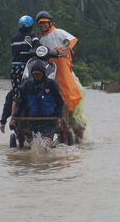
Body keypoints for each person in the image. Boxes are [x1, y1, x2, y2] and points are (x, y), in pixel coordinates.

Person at [35, 11, 87, 141]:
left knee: (70, 97)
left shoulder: (58, 33)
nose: (42, 26)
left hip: (64, 71)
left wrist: (62, 49)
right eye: (40, 24)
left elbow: (71, 41)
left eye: (44, 23)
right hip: (50, 73)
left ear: (49, 22)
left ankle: (75, 133)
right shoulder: (41, 40)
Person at [14, 60, 64, 146]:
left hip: (49, 121)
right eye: (35, 74)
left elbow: (59, 102)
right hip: (32, 121)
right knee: (34, 146)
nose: (37, 76)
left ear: (43, 73)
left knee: (45, 146)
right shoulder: (27, 85)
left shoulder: (52, 84)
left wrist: (58, 116)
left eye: (39, 74)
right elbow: (20, 102)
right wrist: (15, 117)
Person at [9, 15, 40, 124]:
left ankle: (13, 119)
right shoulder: (32, 37)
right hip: (27, 67)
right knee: (32, 90)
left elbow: (13, 53)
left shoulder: (13, 38)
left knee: (16, 93)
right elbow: (39, 49)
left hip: (14, 67)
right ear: (31, 26)